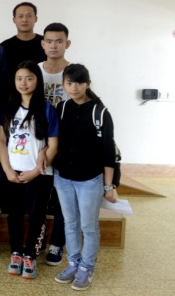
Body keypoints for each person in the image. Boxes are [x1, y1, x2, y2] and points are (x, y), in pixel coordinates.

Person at [53, 64, 117, 291]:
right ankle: (73, 263)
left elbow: (109, 152)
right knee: (70, 223)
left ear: (87, 84)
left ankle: (86, 268)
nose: (74, 88)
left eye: (79, 83)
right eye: (69, 83)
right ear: (63, 84)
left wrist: (109, 186)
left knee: (89, 226)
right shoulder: (61, 108)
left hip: (90, 179)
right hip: (63, 177)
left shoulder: (100, 112)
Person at [0, 61, 59, 279]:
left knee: (36, 216)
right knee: (13, 214)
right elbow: (1, 140)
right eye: (19, 78)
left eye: (29, 78)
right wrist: (7, 169)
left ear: (38, 81)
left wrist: (34, 172)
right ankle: (16, 252)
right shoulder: (8, 108)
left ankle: (30, 254)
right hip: (12, 173)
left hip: (39, 175)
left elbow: (53, 146)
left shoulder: (47, 109)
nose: (23, 83)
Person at [39, 22, 72, 266]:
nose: (53, 46)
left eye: (59, 41)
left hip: (66, 144)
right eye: (49, 41)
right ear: (42, 43)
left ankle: (57, 243)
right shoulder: (34, 70)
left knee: (62, 198)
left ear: (67, 44)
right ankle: (38, 238)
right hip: (37, 144)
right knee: (40, 197)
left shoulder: (74, 72)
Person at [0, 2, 46, 79]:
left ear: (36, 19)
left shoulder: (46, 43)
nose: (24, 20)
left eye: (29, 16)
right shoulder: (4, 47)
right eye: (20, 16)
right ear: (14, 20)